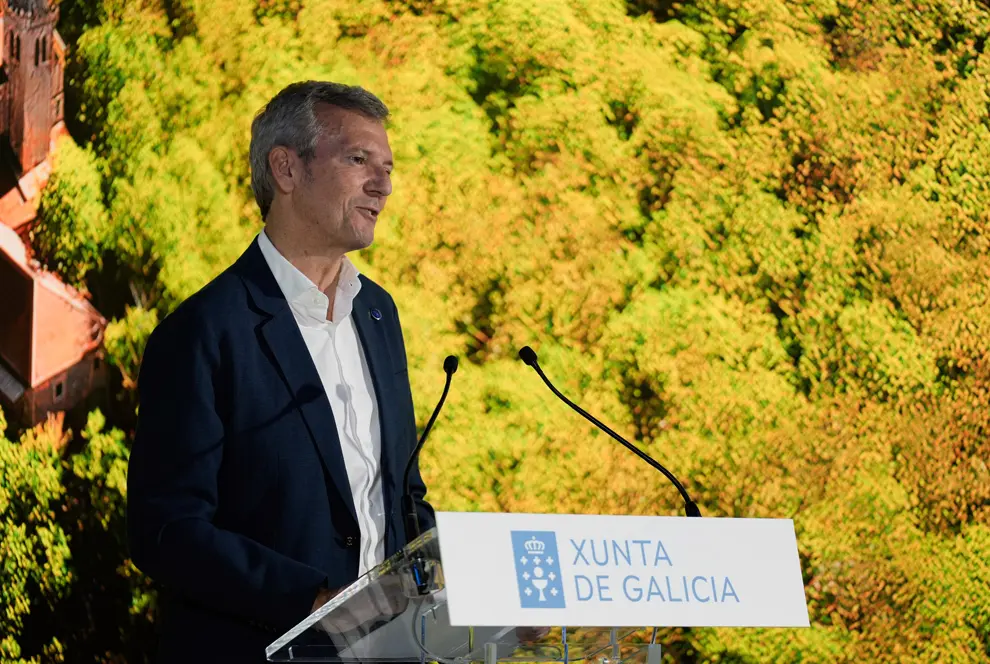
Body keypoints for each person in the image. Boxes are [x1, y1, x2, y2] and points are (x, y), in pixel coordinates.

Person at [126, 81, 434, 663]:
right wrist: (315, 598)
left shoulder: (378, 313)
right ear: (287, 169)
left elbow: (401, 495)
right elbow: (166, 530)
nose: (384, 185)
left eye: (388, 167)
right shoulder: (203, 331)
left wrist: (459, 576)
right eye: (359, 160)